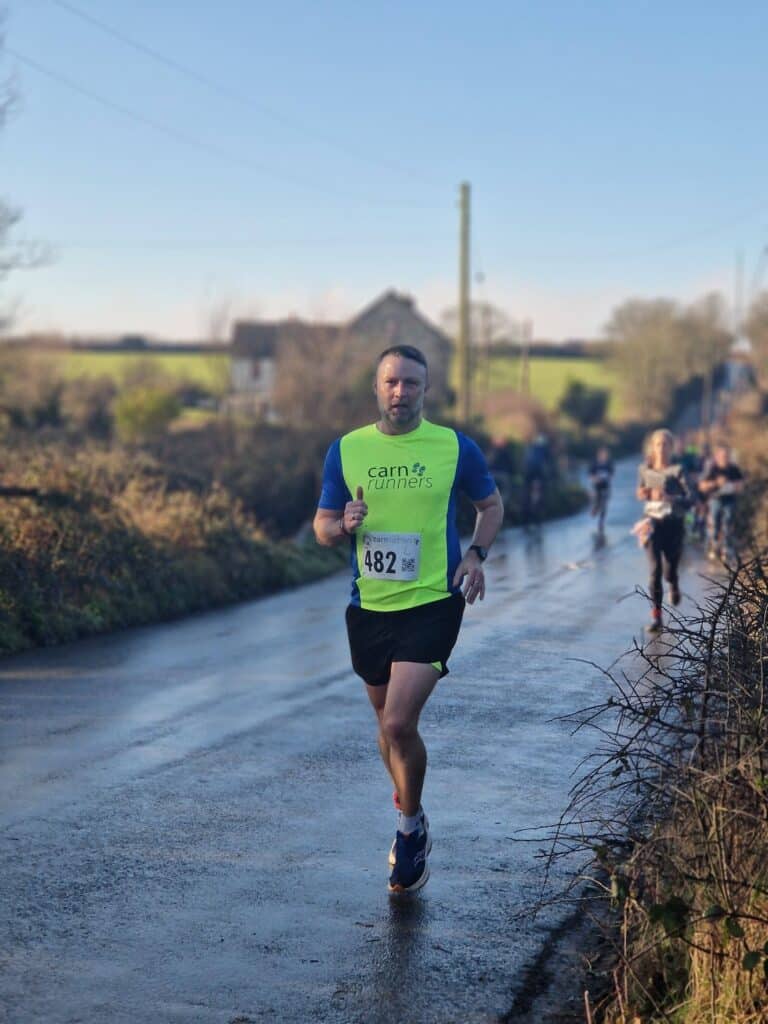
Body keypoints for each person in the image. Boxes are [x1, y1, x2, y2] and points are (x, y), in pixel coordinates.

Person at [313, 344, 504, 894]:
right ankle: (408, 805)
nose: (401, 392)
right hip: (369, 605)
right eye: (392, 382)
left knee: (398, 723)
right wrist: (342, 524)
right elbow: (321, 526)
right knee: (386, 730)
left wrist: (475, 555)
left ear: (426, 389)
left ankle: (409, 827)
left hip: (434, 602)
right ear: (376, 387)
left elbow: (490, 507)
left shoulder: (452, 447)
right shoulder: (347, 450)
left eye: (412, 384)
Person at [635, 429, 691, 634]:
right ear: (653, 447)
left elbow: (689, 497)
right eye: (657, 444)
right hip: (651, 523)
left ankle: (674, 582)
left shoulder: (678, 470)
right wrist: (643, 493)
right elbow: (640, 492)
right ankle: (657, 616)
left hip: (673, 523)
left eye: (665, 444)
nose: (661, 448)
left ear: (671, 447)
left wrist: (672, 498)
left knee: (669, 571)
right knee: (655, 570)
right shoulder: (645, 469)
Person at [698, 443, 745, 562]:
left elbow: (741, 485)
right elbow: (702, 486)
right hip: (715, 499)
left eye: (727, 455)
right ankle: (713, 546)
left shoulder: (733, 469)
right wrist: (716, 483)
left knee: (728, 522)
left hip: (729, 500)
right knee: (714, 523)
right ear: (717, 456)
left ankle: (726, 548)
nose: (725, 458)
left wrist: (734, 485)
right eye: (722, 455)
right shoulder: (712, 469)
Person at [522, 433, 552, 525]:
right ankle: (536, 513)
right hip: (537, 473)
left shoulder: (531, 448)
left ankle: (526, 514)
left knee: (527, 492)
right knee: (538, 493)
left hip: (528, 473)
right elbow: (548, 463)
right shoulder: (544, 449)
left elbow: (525, 460)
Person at [588, 445, 614, 534]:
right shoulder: (594, 463)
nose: (604, 455)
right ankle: (594, 509)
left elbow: (611, 473)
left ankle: (601, 521)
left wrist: (608, 477)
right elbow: (590, 474)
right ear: (599, 455)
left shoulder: (609, 463)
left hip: (606, 486)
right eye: (603, 454)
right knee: (596, 501)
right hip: (596, 486)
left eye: (606, 454)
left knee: (604, 505)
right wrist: (595, 479)